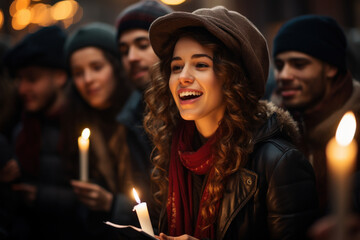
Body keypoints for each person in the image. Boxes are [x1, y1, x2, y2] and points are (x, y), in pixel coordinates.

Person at [144, 6, 319, 240]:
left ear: (234, 78)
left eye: (201, 65)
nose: (183, 77)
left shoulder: (279, 163)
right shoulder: (174, 152)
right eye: (177, 67)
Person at [271, 15, 360, 215]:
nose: (284, 75)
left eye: (299, 64)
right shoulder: (269, 130)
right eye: (279, 65)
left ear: (331, 67)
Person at [62, 22, 141, 239]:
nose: (88, 80)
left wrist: (112, 203)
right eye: (78, 73)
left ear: (116, 67)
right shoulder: (76, 122)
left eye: (97, 67)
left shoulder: (141, 119)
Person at [3, 25, 79, 239]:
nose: (22, 89)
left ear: (60, 77)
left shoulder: (82, 127)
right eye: (19, 79)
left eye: (32, 79)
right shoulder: (21, 128)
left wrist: (41, 196)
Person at [115, 0, 173, 224]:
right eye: (124, 50)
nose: (131, 57)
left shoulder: (193, 109)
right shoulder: (131, 116)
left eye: (142, 45)